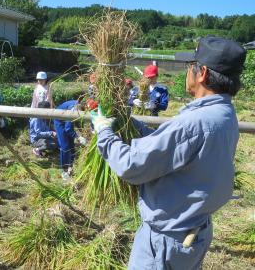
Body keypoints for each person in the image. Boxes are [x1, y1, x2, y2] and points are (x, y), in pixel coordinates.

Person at [90, 36, 246, 269]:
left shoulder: (194, 122)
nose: (187, 73)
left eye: (189, 67)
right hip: (195, 232)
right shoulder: (225, 114)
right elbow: (175, 146)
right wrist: (133, 125)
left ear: (202, 73)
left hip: (166, 242)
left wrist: (104, 132)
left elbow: (131, 166)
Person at [54, 99, 87, 180]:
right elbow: (68, 129)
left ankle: (70, 167)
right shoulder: (74, 109)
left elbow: (78, 121)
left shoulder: (80, 106)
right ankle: (64, 171)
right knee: (65, 147)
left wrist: (82, 132)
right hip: (59, 121)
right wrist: (78, 137)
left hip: (67, 119)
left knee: (71, 146)